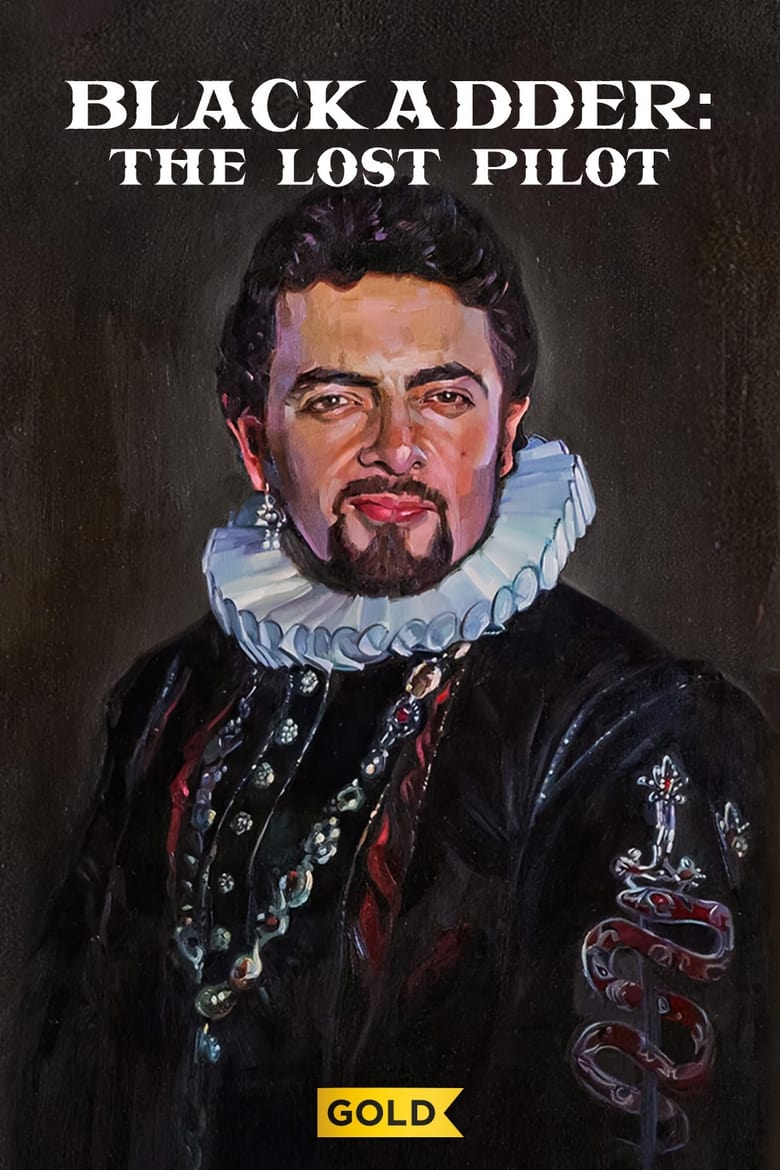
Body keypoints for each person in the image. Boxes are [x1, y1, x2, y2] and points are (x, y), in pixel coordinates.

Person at [20, 185, 768, 1170]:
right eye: (335, 399)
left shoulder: (637, 728)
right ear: (255, 442)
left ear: (507, 432)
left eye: (443, 396)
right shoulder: (164, 701)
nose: (394, 448)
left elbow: (597, 1130)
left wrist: (305, 1124)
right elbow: (63, 1076)